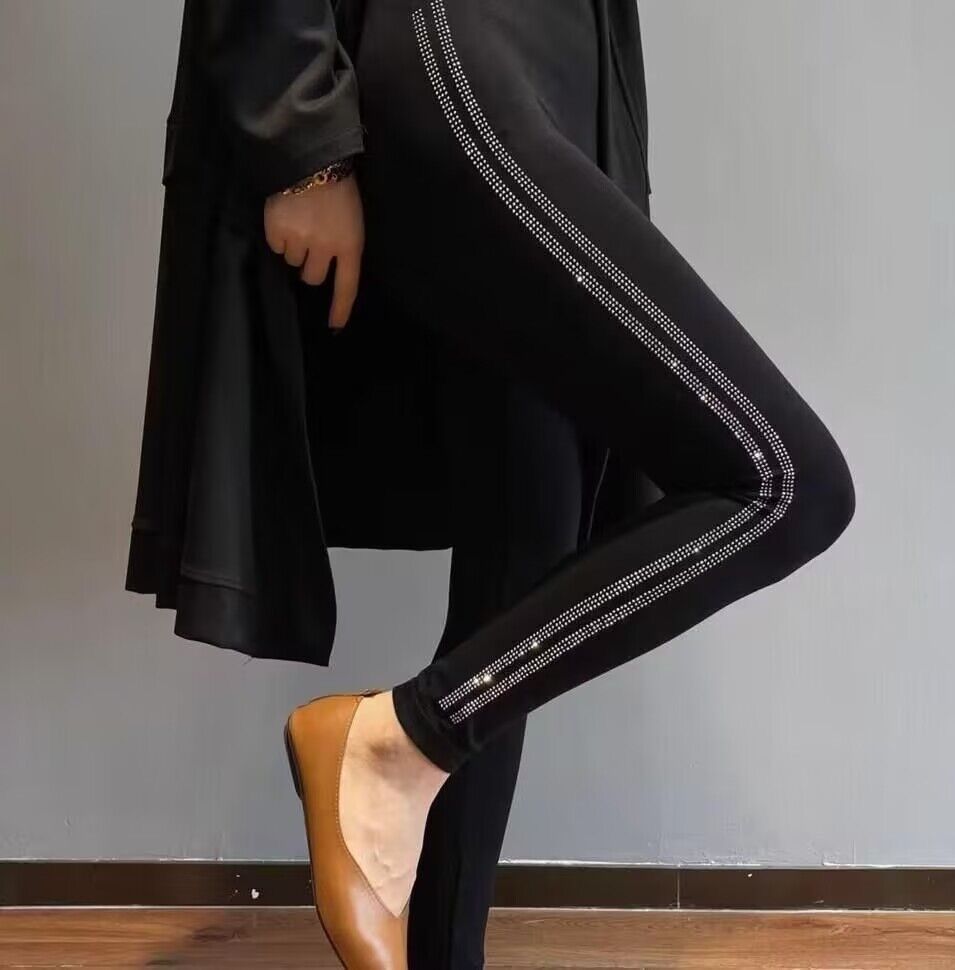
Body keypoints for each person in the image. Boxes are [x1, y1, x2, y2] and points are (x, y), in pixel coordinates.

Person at [126, 0, 856, 966]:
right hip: (455, 51)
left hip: (561, 81)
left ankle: (438, 925)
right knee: (786, 482)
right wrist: (301, 138)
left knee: (528, 543)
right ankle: (394, 740)